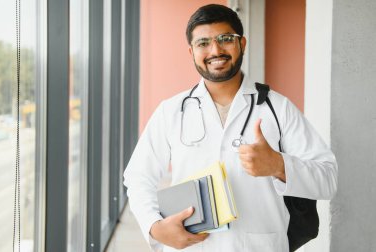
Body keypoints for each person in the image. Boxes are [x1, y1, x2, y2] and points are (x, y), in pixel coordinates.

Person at [124, 4, 338, 252]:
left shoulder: (277, 108)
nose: (215, 50)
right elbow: (138, 177)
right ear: (191, 51)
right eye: (203, 43)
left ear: (242, 44)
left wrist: (279, 165)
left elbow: (328, 178)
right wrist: (155, 226)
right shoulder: (172, 111)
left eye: (225, 39)